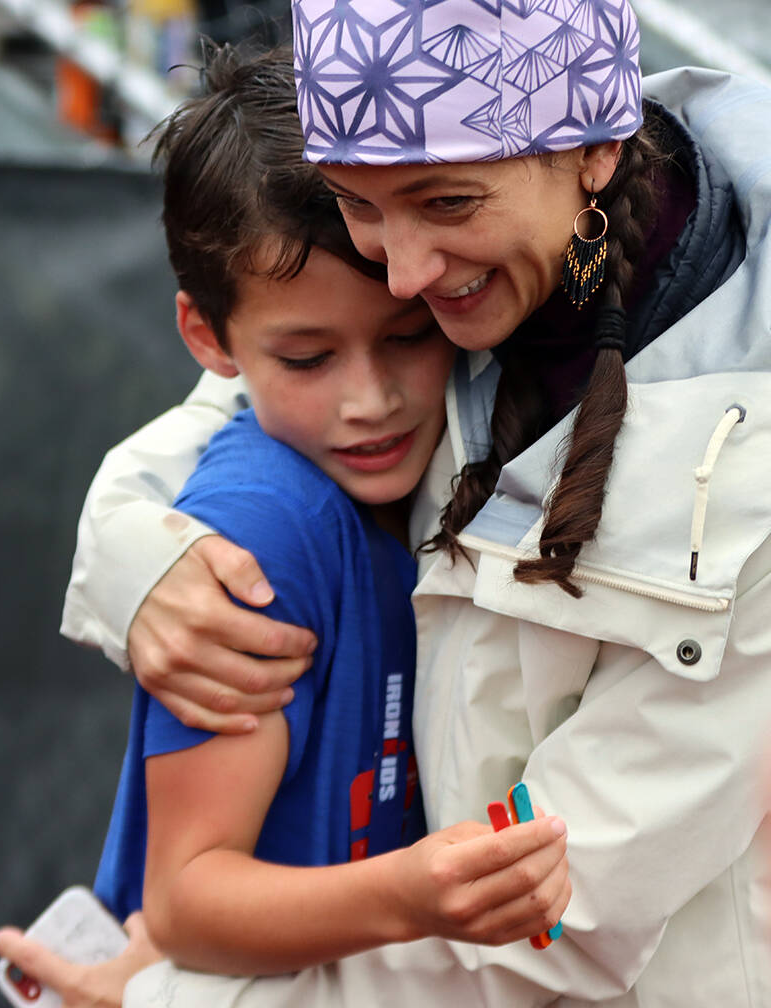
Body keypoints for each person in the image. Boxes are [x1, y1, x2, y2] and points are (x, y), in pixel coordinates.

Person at [60, 1, 771, 1004]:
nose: (402, 273)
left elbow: (545, 923)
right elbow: (262, 368)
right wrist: (136, 541)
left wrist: (166, 998)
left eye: (444, 204)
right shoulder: (505, 249)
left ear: (600, 148)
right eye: (356, 202)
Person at [0, 43, 571, 1007]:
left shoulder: (436, 470)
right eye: (308, 358)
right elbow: (185, 902)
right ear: (206, 338)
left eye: (408, 335)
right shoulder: (260, 534)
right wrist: (410, 892)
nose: (372, 400)